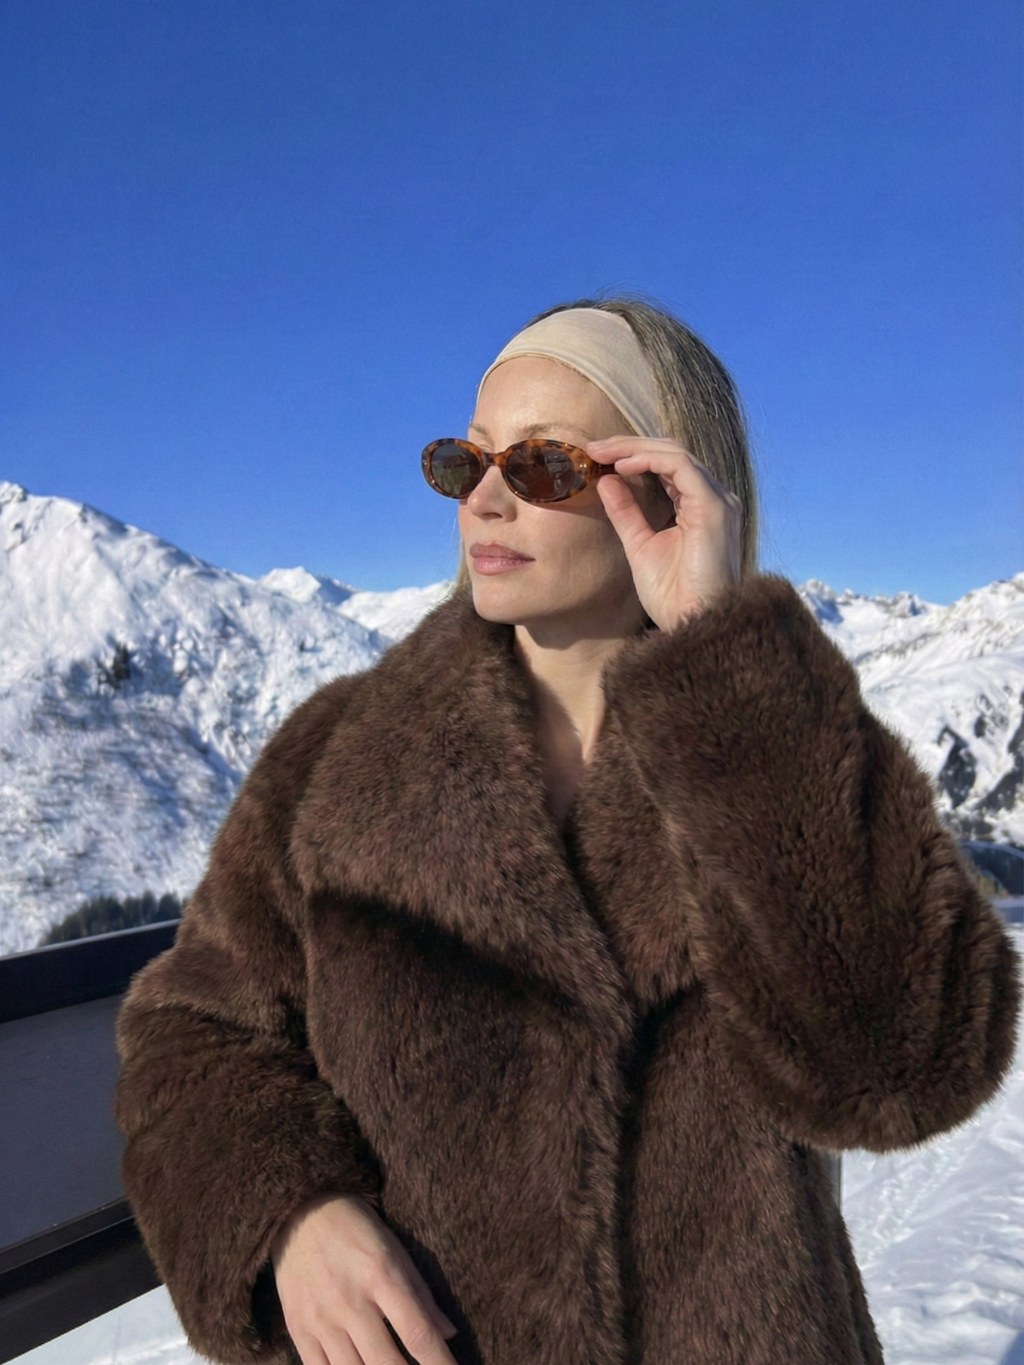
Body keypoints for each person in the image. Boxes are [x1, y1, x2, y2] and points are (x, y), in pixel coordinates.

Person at [113, 297, 1021, 1365]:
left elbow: (903, 1067)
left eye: (543, 464)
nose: (486, 498)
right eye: (464, 461)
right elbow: (189, 1033)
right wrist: (289, 1211)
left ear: (661, 488)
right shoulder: (335, 762)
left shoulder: (764, 745)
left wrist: (718, 649)